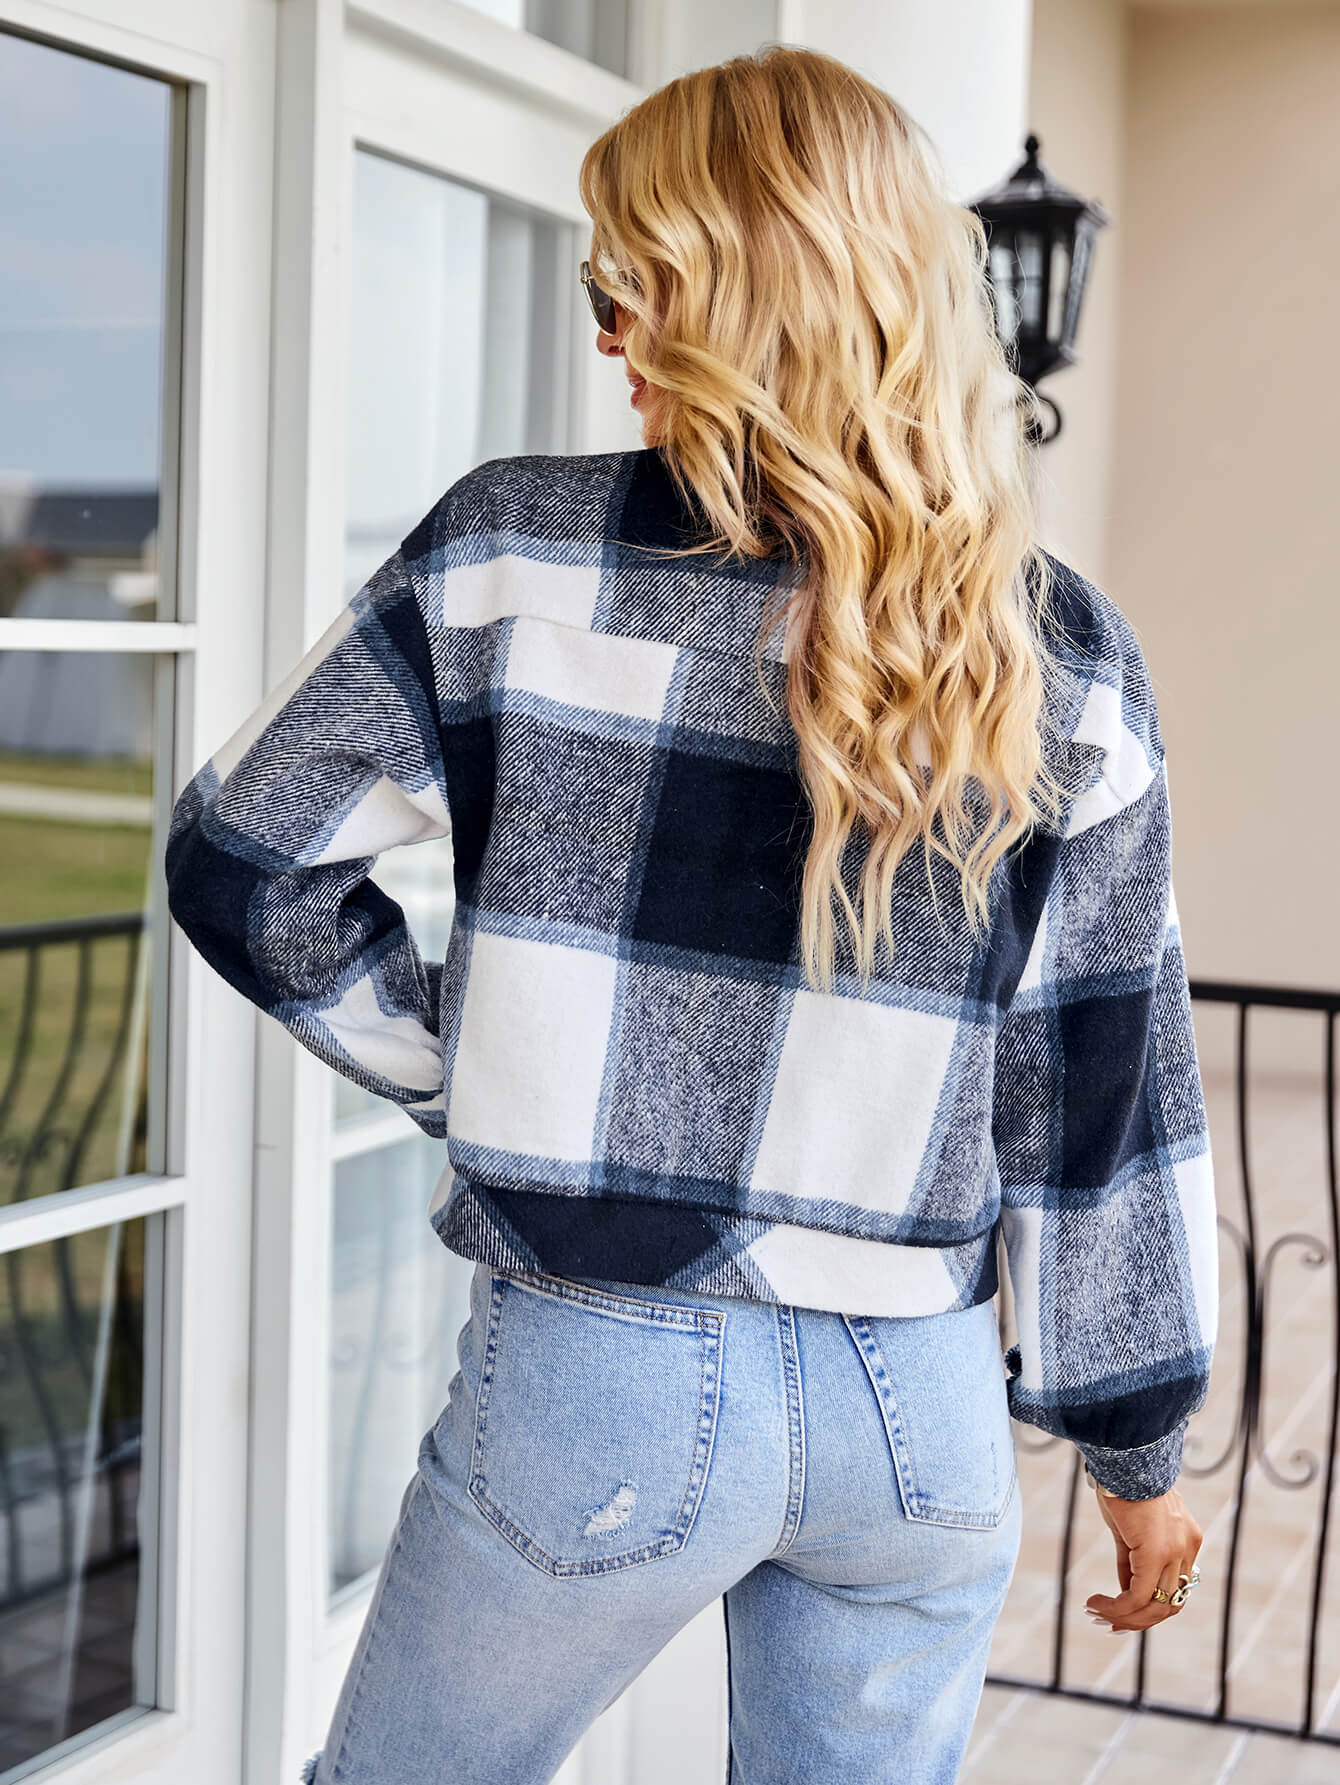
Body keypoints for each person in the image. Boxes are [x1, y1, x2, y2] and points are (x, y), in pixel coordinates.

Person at [164, 43, 1216, 1785]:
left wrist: (474, 1068)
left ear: (755, 294)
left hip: (603, 1377)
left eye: (633, 283)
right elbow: (1100, 1090)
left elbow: (242, 860)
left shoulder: (512, 555)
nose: (607, 334)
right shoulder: (1063, 647)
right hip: (920, 1412)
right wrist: (1138, 1451)